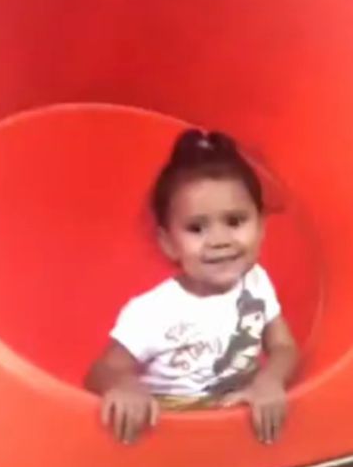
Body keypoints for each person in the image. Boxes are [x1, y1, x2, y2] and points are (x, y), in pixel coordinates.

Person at [85, 129, 299, 445]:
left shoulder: (256, 281)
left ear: (262, 226)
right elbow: (100, 371)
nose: (220, 241)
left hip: (237, 432)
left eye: (235, 221)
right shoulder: (152, 311)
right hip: (174, 437)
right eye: (197, 228)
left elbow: (283, 346)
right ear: (169, 243)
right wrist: (125, 386)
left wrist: (270, 381)